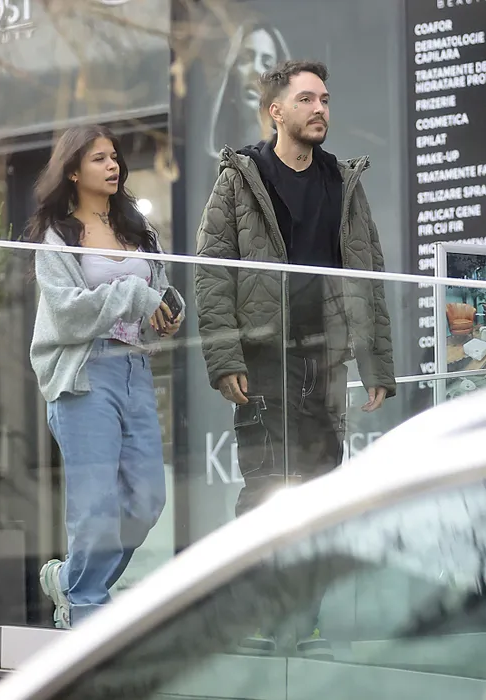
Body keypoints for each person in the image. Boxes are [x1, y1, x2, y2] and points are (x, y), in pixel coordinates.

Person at [195, 60, 396, 658]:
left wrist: (376, 364)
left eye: (325, 99)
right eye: (306, 99)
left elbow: (369, 275)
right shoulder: (240, 178)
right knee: (265, 489)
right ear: (275, 110)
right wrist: (224, 355)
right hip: (264, 358)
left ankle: (303, 622)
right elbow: (212, 275)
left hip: (326, 361)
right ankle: (258, 616)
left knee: (321, 494)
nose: (320, 109)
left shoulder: (344, 182)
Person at [28, 125, 182, 628]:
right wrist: (136, 296)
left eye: (114, 157)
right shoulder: (57, 237)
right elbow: (67, 312)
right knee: (95, 504)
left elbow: (157, 289)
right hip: (83, 374)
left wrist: (167, 311)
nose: (112, 165)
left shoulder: (140, 231)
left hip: (134, 368)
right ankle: (87, 608)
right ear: (73, 171)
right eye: (99, 158)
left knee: (147, 499)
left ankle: (70, 580)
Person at [208, 22, 290, 158]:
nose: (256, 69)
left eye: (267, 64)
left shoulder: (292, 163)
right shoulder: (216, 164)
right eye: (247, 59)